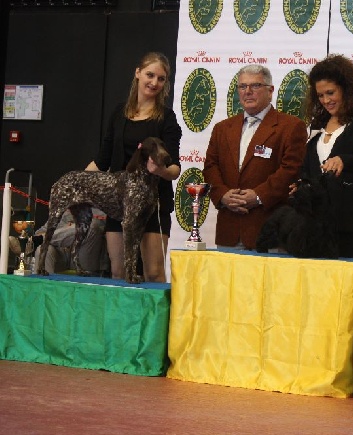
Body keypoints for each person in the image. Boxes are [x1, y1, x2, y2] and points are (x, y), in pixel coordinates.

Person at [85, 51, 182, 282]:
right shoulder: (119, 114)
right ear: (137, 73)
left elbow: (175, 168)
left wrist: (160, 171)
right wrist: (79, 185)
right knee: (119, 273)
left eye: (161, 78)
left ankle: (155, 319)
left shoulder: (166, 118)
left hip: (153, 205)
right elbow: (101, 161)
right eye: (150, 75)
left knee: (154, 273)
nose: (154, 82)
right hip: (119, 205)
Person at [203, 64, 307, 249]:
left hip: (270, 230)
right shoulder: (222, 128)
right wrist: (223, 195)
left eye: (256, 86)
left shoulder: (291, 126)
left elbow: (290, 170)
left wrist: (259, 195)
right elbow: (211, 167)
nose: (248, 92)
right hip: (229, 231)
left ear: (270, 90)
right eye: (242, 86)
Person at [300, 54, 353, 258]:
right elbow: (310, 166)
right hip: (312, 222)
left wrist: (345, 160)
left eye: (330, 93)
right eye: (320, 96)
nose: (326, 100)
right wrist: (300, 183)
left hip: (348, 222)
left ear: (347, 89)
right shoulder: (317, 123)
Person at [29, 208, 109, 275]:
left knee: (90, 226)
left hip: (86, 255)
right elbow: (39, 233)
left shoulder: (103, 209)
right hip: (61, 253)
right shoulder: (65, 210)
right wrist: (66, 230)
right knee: (42, 250)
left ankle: (36, 240)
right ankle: (44, 291)